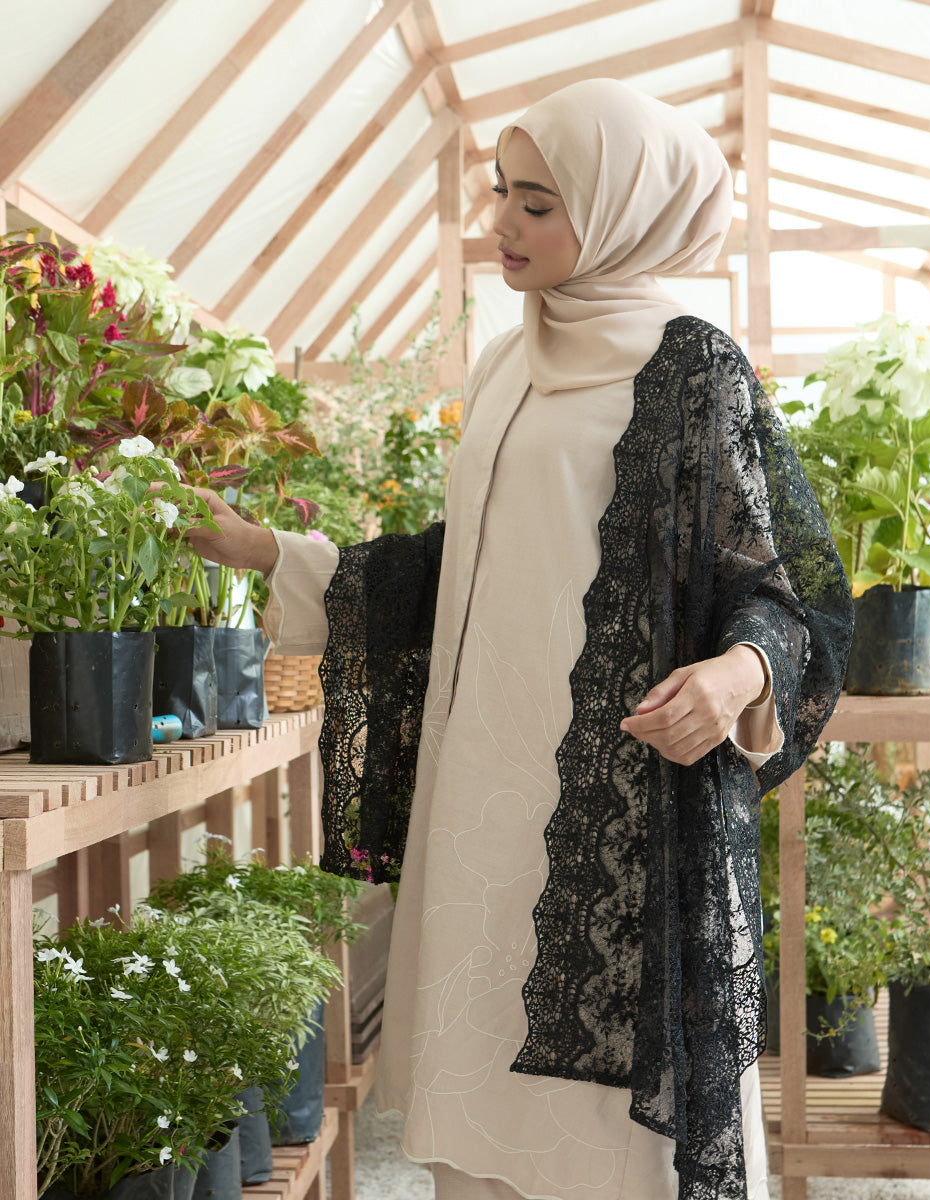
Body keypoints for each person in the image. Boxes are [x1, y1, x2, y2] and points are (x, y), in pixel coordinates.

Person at [188, 78, 853, 1200]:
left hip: (613, 813)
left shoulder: (690, 368)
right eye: (502, 192)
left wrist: (735, 674)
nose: (502, 223)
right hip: (480, 806)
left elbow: (782, 593)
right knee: (477, 1124)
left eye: (537, 203)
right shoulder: (504, 366)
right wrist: (265, 550)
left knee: (612, 1149)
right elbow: (466, 565)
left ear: (626, 211)